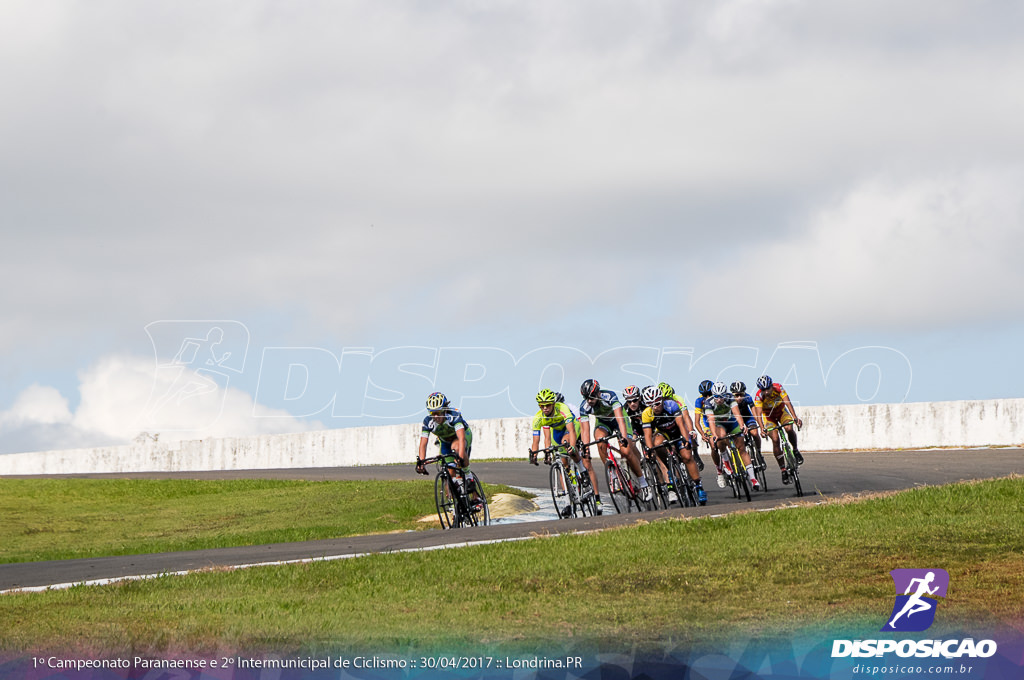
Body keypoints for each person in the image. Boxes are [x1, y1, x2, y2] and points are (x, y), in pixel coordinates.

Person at [529, 388, 603, 515]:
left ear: (553, 404)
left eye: (547, 405)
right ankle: (567, 503)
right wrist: (535, 454)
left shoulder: (563, 409)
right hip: (557, 432)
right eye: (542, 405)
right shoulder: (538, 417)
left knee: (567, 443)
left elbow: (572, 431)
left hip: (571, 428)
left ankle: (583, 471)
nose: (545, 408)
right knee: (563, 463)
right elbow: (539, 440)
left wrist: (573, 447)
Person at [578, 379, 652, 502]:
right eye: (586, 398)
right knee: (599, 439)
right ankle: (611, 472)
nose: (589, 401)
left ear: (597, 393)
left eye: (591, 398)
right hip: (603, 423)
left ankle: (643, 483)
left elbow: (620, 420)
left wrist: (623, 438)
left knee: (626, 451)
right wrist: (586, 449)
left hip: (618, 421)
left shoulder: (609, 396)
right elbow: (585, 430)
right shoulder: (584, 406)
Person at [640, 385, 707, 505]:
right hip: (663, 433)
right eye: (651, 405)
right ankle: (670, 469)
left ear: (661, 400)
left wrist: (687, 440)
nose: (655, 407)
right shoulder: (646, 414)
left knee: (687, 456)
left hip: (677, 431)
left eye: (657, 403)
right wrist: (650, 450)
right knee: (656, 444)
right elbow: (648, 434)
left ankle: (698, 486)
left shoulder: (671, 405)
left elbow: (681, 425)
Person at [415, 392, 481, 506]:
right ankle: (457, 503)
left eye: (438, 413)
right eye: (432, 413)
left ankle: (470, 479)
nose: (435, 417)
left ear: (445, 410)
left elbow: (461, 438)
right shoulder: (428, 422)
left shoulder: (453, 416)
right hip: (445, 442)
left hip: (462, 437)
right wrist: (421, 462)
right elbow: (423, 444)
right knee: (449, 472)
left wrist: (460, 457)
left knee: (456, 448)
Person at [703, 382, 760, 490]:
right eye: (716, 397)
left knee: (741, 448)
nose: (719, 400)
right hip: (719, 424)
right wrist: (714, 435)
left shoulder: (730, 398)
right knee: (721, 436)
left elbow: (737, 414)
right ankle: (726, 461)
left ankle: (753, 478)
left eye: (721, 397)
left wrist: (743, 426)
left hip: (732, 422)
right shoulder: (708, 403)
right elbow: (711, 420)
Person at [754, 375, 805, 484]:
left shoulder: (778, 388)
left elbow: (787, 402)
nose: (766, 392)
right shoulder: (759, 396)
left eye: (768, 388)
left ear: (771, 386)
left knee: (789, 428)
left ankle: (795, 450)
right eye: (763, 390)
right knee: (775, 439)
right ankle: (783, 469)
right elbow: (758, 414)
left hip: (782, 413)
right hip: (769, 418)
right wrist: (762, 428)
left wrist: (795, 418)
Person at [658, 381, 704, 471]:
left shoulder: (677, 399)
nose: (667, 400)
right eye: (664, 398)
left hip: (679, 421)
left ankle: (695, 453)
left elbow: (686, 416)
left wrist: (691, 430)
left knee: (690, 433)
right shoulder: (659, 405)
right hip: (668, 425)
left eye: (668, 397)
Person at [730, 381, 763, 464]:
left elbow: (754, 411)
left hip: (747, 417)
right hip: (735, 420)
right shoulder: (729, 400)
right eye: (736, 395)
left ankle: (758, 453)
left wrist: (760, 425)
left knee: (755, 433)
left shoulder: (748, 397)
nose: (739, 397)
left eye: (741, 394)